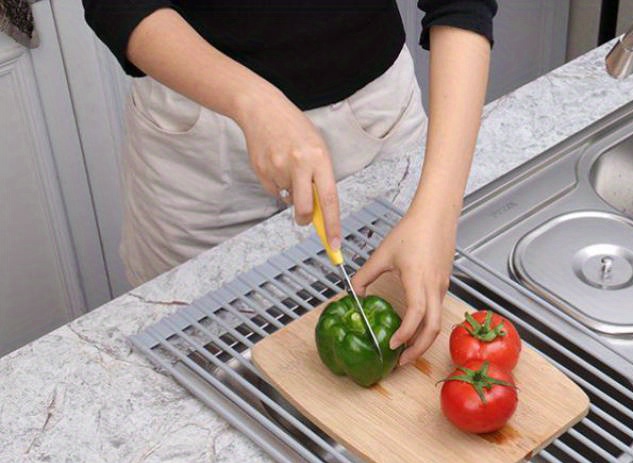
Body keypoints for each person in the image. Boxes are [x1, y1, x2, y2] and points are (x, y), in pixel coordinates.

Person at [82, 1, 497, 365]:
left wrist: (437, 211)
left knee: (407, 336)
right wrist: (251, 99)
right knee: (194, 357)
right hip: (197, 147)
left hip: (373, 126)